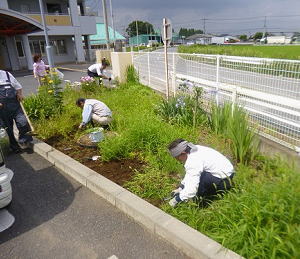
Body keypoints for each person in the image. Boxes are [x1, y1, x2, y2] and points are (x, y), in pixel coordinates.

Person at [167, 139, 235, 207]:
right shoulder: (194, 148)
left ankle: (200, 204)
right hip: (228, 173)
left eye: (177, 158)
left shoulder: (193, 161)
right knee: (196, 176)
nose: (178, 161)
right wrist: (181, 188)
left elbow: (191, 189)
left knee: (198, 185)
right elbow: (190, 174)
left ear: (183, 153)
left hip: (224, 180)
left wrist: (177, 199)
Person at [0, 70, 33, 153]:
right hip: (2, 109)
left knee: (23, 122)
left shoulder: (6, 74)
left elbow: (18, 86)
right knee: (8, 129)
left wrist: (19, 94)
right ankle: (14, 146)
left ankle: (23, 141)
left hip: (15, 105)